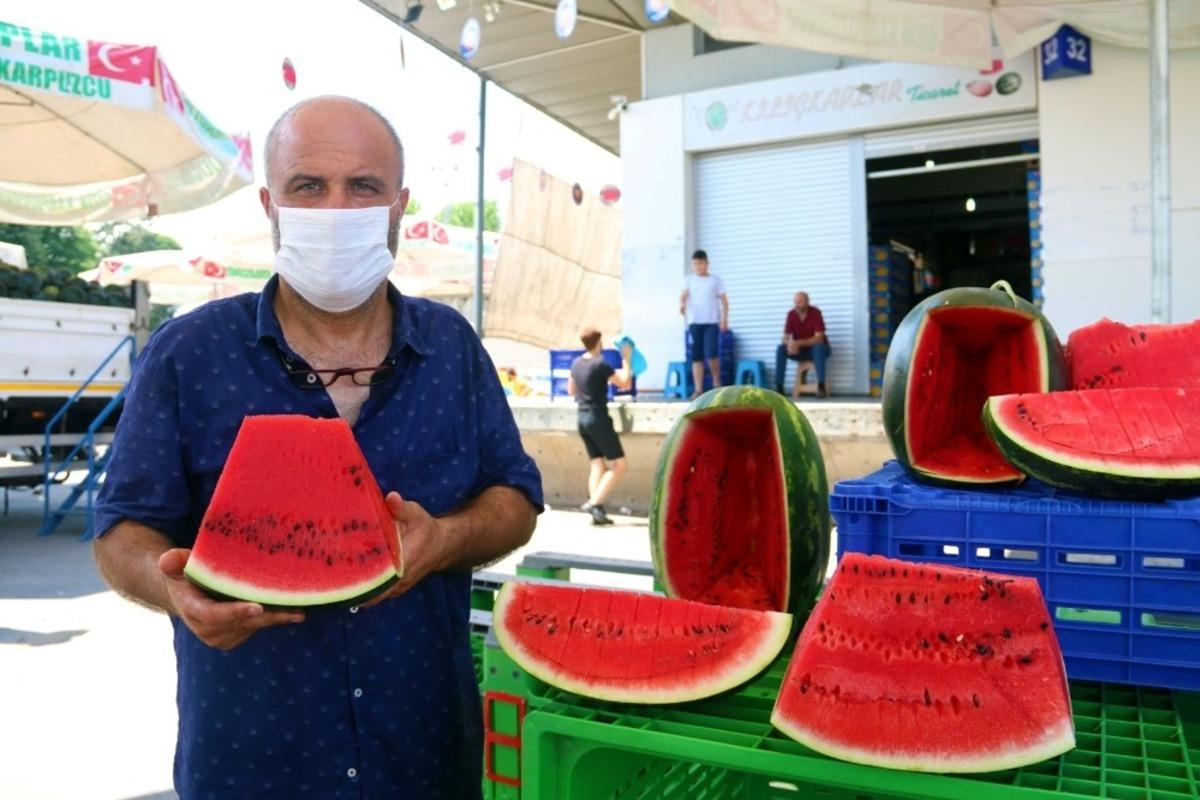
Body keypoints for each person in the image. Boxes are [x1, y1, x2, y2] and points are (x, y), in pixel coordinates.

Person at [91, 96, 543, 799]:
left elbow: (515, 497)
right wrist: (172, 588)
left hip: (424, 755)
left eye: (363, 186)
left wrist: (446, 538)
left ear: (399, 204)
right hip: (252, 757)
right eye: (309, 186)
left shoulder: (452, 347)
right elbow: (120, 529)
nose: (335, 207)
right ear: (270, 203)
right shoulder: (189, 352)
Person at [566, 328, 633, 526]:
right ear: (598, 343)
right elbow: (625, 383)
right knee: (620, 464)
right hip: (598, 418)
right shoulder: (600, 364)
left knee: (597, 464)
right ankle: (594, 503)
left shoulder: (576, 363)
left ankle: (597, 511)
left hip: (582, 418)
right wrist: (626, 359)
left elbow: (571, 390)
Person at [679, 249, 728, 398]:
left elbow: (724, 301)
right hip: (695, 323)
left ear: (707, 263)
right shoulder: (689, 280)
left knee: (712, 354)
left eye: (700, 263)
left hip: (711, 322)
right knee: (696, 357)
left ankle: (716, 384)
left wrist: (724, 319)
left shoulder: (715, 280)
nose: (698, 266)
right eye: (695, 264)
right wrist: (682, 304)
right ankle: (698, 389)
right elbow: (684, 296)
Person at [775, 291, 832, 398]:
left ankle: (821, 386)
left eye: (800, 302)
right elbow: (785, 337)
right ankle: (779, 387)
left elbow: (819, 338)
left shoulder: (816, 313)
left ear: (807, 302)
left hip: (818, 350)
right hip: (800, 351)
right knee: (781, 349)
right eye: (795, 302)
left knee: (818, 347)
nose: (797, 304)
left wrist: (798, 343)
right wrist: (789, 344)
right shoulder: (791, 314)